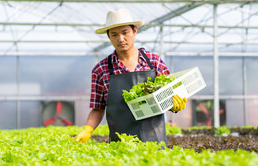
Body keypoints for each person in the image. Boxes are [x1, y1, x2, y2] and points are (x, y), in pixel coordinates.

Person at [73, 8, 187, 144]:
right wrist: (88, 129)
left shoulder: (153, 61)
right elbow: (98, 108)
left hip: (154, 140)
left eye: (125, 32)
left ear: (134, 31)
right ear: (109, 37)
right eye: (114, 34)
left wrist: (174, 104)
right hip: (120, 143)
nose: (120, 39)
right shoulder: (100, 70)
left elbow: (169, 94)